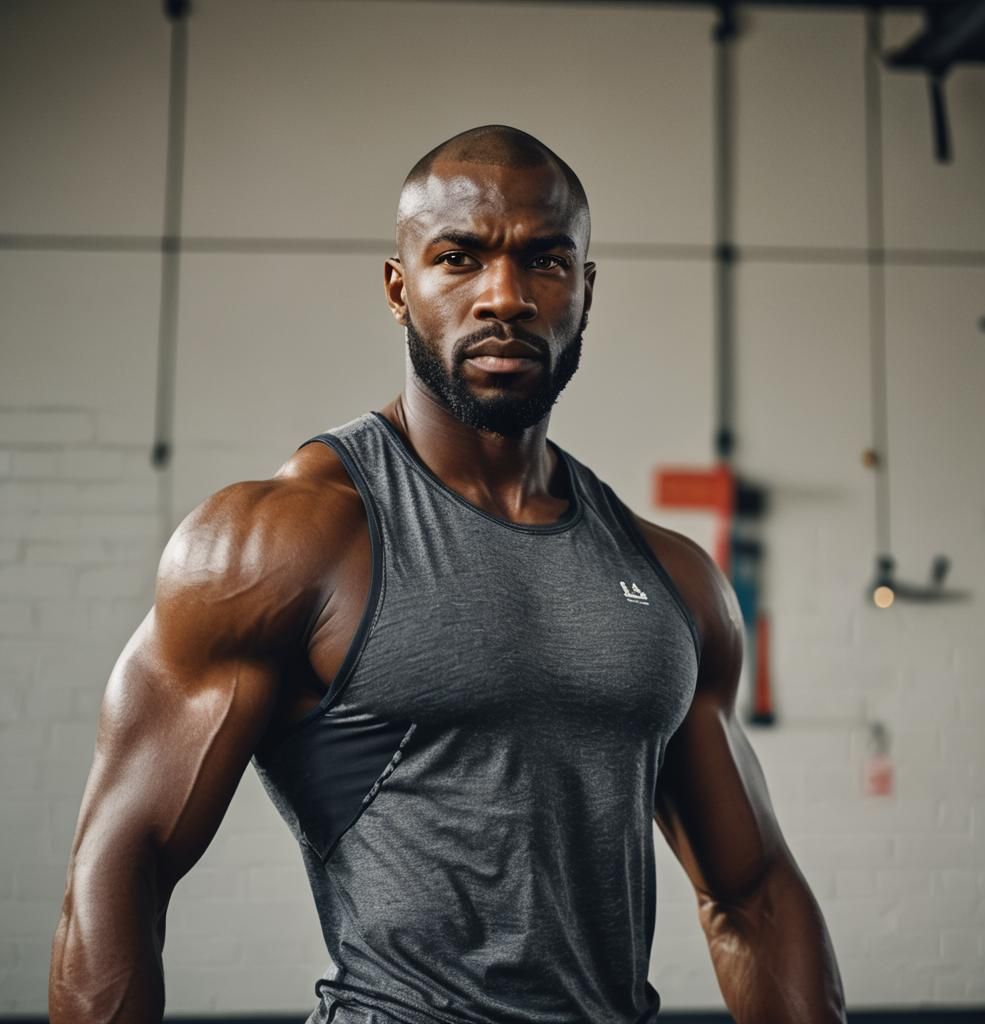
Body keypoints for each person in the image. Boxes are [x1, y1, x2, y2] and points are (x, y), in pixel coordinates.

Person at [49, 125, 846, 1024]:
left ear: (585, 288)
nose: (504, 296)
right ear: (400, 288)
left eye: (545, 261)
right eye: (459, 258)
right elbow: (120, 863)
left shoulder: (674, 580)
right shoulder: (283, 541)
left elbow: (754, 894)